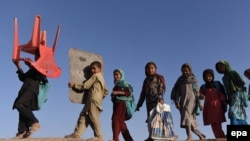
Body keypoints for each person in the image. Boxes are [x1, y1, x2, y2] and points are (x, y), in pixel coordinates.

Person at [65, 61, 108, 141]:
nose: (92, 71)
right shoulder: (102, 78)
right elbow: (106, 91)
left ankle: (99, 137)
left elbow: (86, 85)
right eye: (91, 69)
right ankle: (76, 134)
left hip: (93, 100)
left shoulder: (96, 75)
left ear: (99, 69)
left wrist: (74, 85)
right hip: (93, 100)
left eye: (94, 68)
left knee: (93, 117)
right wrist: (100, 97)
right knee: (84, 116)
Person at [12, 50, 47, 139]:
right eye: (36, 55)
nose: (36, 57)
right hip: (25, 90)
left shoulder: (43, 66)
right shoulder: (33, 68)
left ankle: (34, 122)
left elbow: (42, 77)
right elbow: (24, 78)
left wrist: (31, 65)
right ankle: (22, 132)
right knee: (23, 108)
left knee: (19, 104)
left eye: (38, 55)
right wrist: (18, 66)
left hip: (32, 91)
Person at [170, 63, 205, 141]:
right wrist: (177, 101)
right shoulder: (180, 81)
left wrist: (200, 103)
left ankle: (190, 137)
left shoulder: (193, 79)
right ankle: (200, 136)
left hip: (192, 101)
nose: (185, 72)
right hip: (183, 101)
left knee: (187, 117)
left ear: (189, 70)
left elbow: (197, 92)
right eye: (183, 71)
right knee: (190, 120)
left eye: (186, 70)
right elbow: (177, 93)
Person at [136, 61, 166, 141]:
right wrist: (139, 104)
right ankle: (151, 136)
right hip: (148, 103)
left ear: (155, 69)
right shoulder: (146, 80)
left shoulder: (158, 78)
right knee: (150, 120)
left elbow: (161, 88)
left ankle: (166, 135)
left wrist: (160, 98)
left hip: (157, 101)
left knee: (158, 119)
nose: (150, 69)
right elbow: (143, 93)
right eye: (148, 68)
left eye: (152, 68)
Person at [215, 60, 248, 125]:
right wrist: (227, 99)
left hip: (237, 94)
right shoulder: (223, 78)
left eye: (221, 66)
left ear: (226, 65)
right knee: (240, 114)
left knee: (232, 112)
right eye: (219, 67)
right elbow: (226, 89)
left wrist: (242, 82)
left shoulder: (232, 72)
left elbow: (242, 82)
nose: (221, 68)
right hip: (231, 97)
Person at [199, 69, 227, 138]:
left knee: (218, 121)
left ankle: (221, 136)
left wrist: (224, 101)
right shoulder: (203, 86)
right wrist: (201, 96)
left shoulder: (217, 84)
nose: (208, 78)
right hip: (208, 107)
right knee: (212, 123)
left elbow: (221, 93)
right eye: (206, 77)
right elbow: (200, 95)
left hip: (217, 106)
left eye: (209, 76)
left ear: (212, 76)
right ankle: (218, 137)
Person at [110, 69, 134, 141]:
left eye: (117, 75)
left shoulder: (124, 83)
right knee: (121, 124)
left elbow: (128, 93)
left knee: (115, 119)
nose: (115, 76)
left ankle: (115, 139)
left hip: (122, 103)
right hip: (117, 104)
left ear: (121, 75)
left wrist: (117, 92)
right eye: (114, 75)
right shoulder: (116, 85)